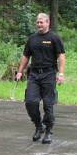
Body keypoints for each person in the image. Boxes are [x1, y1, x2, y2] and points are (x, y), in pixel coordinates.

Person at [15, 13, 66, 144]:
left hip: (49, 75)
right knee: (30, 102)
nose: (39, 25)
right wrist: (20, 72)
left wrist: (61, 73)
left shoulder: (54, 38)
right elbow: (26, 56)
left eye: (41, 22)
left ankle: (48, 131)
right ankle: (39, 126)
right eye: (37, 22)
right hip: (34, 75)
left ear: (48, 23)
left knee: (48, 105)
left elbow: (61, 56)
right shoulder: (32, 39)